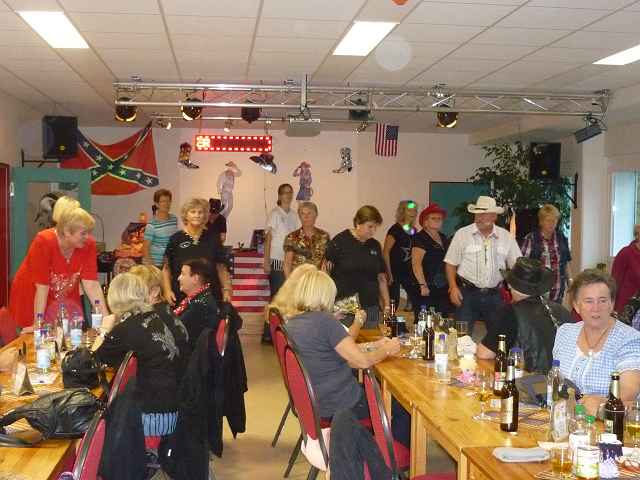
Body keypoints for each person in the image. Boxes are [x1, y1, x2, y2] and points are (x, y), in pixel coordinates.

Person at [284, 268, 400, 421]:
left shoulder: (292, 323)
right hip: (341, 404)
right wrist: (387, 349)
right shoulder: (325, 321)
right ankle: (380, 438)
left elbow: (334, 352)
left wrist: (375, 345)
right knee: (400, 406)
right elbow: (362, 362)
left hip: (314, 402)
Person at [93, 272, 188, 443]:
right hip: (171, 404)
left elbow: (95, 360)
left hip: (155, 417)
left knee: (97, 415)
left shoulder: (126, 328)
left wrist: (104, 330)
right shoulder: (152, 316)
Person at [552, 269, 640, 415]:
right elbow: (555, 380)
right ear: (576, 306)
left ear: (612, 304)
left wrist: (600, 407)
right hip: (564, 419)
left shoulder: (630, 339)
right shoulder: (565, 332)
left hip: (609, 424)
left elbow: (627, 393)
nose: (596, 308)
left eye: (603, 300)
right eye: (589, 301)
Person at [9, 206, 108, 330]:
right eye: (83, 233)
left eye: (89, 232)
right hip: (32, 294)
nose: (87, 237)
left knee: (67, 330)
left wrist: (106, 319)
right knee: (39, 335)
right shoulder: (44, 241)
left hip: (61, 289)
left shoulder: (87, 245)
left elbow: (91, 284)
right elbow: (42, 287)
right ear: (67, 232)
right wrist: (38, 323)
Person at [477, 258, 573, 373]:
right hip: (562, 379)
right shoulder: (562, 310)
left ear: (510, 286)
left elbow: (484, 353)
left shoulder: (510, 313)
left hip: (527, 380)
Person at [444, 196, 521, 335]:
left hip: (495, 294)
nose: (480, 217)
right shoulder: (462, 234)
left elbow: (516, 266)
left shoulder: (506, 237)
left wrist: (515, 291)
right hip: (466, 293)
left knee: (500, 337)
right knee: (461, 336)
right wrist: (453, 287)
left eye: (485, 213)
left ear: (494, 216)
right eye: (478, 213)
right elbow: (450, 263)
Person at [325, 206, 390, 328]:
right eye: (370, 226)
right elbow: (325, 274)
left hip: (370, 307)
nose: (373, 231)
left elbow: (381, 278)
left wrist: (387, 305)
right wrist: (326, 305)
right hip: (345, 308)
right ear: (358, 223)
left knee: (372, 339)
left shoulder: (375, 245)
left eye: (375, 227)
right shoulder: (340, 241)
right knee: (346, 339)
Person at [162, 198, 232, 306]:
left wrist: (227, 289)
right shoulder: (175, 239)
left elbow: (221, 267)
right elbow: (166, 268)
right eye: (193, 212)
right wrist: (167, 291)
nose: (197, 215)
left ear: (205, 216)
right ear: (186, 215)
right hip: (181, 296)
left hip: (211, 295)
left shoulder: (214, 238)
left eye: (200, 212)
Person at [262, 184, 299, 343]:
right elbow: (268, 239)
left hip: (289, 262)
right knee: (276, 297)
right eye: (285, 193)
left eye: (290, 193)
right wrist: (266, 261)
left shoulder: (294, 215)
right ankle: (268, 334)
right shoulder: (275, 214)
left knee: (287, 298)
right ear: (279, 195)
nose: (288, 195)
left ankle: (282, 333)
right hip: (276, 260)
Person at [520, 204, 572, 303]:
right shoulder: (531, 239)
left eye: (554, 220)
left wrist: (570, 280)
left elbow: (566, 263)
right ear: (541, 221)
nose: (552, 224)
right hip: (537, 294)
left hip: (557, 293)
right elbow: (523, 266)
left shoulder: (561, 238)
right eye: (548, 220)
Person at [411, 203, 453, 316]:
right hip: (426, 286)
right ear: (425, 222)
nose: (438, 220)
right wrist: (423, 285)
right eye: (434, 218)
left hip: (443, 286)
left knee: (442, 318)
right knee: (424, 320)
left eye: (440, 218)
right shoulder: (419, 238)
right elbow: (416, 264)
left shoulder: (443, 237)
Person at [173, 257, 220, 350]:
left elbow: (175, 330)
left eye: (183, 274)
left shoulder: (199, 305)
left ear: (195, 278)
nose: (178, 278)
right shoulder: (202, 297)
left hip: (189, 354)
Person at [383, 200, 418, 310]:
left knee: (414, 300)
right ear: (403, 211)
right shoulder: (395, 229)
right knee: (394, 301)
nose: (413, 213)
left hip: (409, 272)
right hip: (395, 271)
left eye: (415, 210)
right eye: (409, 210)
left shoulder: (414, 230)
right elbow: (386, 252)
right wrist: (389, 273)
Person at [283, 201, 330, 278]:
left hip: (317, 280)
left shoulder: (324, 236)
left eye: (309, 213)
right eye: (303, 214)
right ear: (299, 216)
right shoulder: (292, 237)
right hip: (298, 281)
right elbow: (287, 264)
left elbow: (326, 262)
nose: (306, 217)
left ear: (315, 215)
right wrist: (290, 283)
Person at [143, 189, 178, 268]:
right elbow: (145, 248)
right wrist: (152, 267)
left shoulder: (174, 219)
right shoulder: (152, 224)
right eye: (163, 201)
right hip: (156, 265)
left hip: (169, 263)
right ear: (156, 204)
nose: (166, 204)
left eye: (168, 201)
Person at [611, 224, 640, 314]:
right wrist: (611, 306)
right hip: (627, 307)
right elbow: (614, 281)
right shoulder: (626, 253)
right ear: (637, 235)